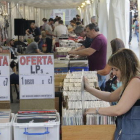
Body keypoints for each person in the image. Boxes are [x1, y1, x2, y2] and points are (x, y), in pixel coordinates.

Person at [84, 48, 140, 140]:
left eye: (116, 69)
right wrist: (89, 89)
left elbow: (119, 110)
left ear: (125, 67)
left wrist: (97, 110)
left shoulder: (136, 83)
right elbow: (110, 96)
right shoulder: (130, 81)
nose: (113, 73)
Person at [68, 23, 107, 90]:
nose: (87, 33)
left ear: (93, 30)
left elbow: (89, 52)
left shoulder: (99, 39)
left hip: (98, 70)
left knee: (97, 90)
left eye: (88, 31)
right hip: (97, 69)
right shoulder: (97, 38)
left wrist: (74, 52)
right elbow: (87, 49)